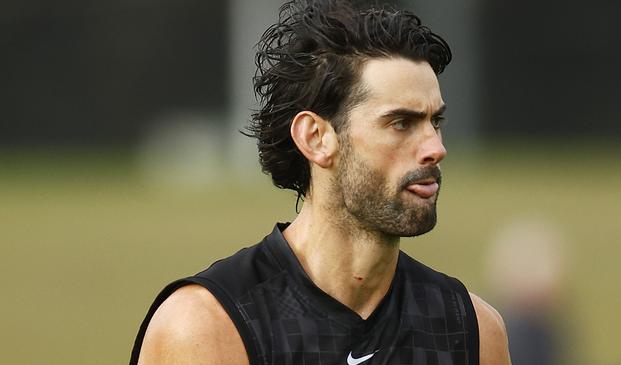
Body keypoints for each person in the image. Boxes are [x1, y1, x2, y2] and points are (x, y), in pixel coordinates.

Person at [130, 0, 511, 364]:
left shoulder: (470, 330)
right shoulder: (209, 326)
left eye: (435, 122)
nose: (435, 148)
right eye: (401, 123)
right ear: (315, 138)